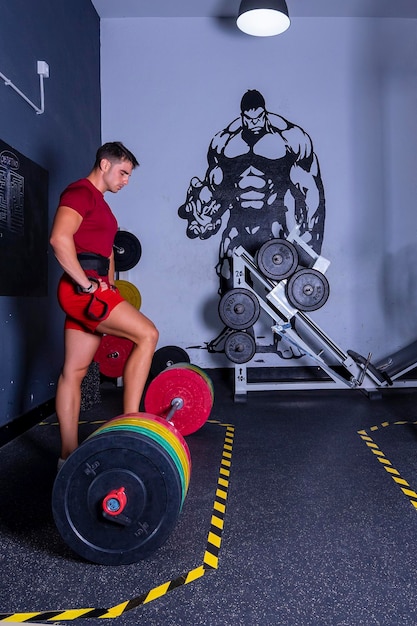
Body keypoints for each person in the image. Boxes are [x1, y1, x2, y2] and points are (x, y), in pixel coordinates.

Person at [50, 141, 159, 468]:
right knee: (148, 335)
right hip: (83, 289)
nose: (125, 180)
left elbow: (106, 251)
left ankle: (66, 456)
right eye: (123, 172)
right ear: (104, 163)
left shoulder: (101, 204)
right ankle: (131, 426)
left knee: (75, 371)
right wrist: (85, 284)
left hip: (94, 289)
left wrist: (110, 285)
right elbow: (59, 239)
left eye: (129, 175)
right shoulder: (80, 192)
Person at [178, 89, 326, 294]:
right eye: (248, 119)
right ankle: (240, 327)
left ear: (264, 113)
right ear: (242, 116)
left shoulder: (290, 140)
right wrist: (205, 216)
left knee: (281, 290)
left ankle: (282, 326)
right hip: (238, 221)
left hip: (273, 221)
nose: (253, 123)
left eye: (258, 118)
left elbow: (309, 187)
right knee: (230, 280)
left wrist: (310, 232)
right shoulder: (224, 144)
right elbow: (216, 187)